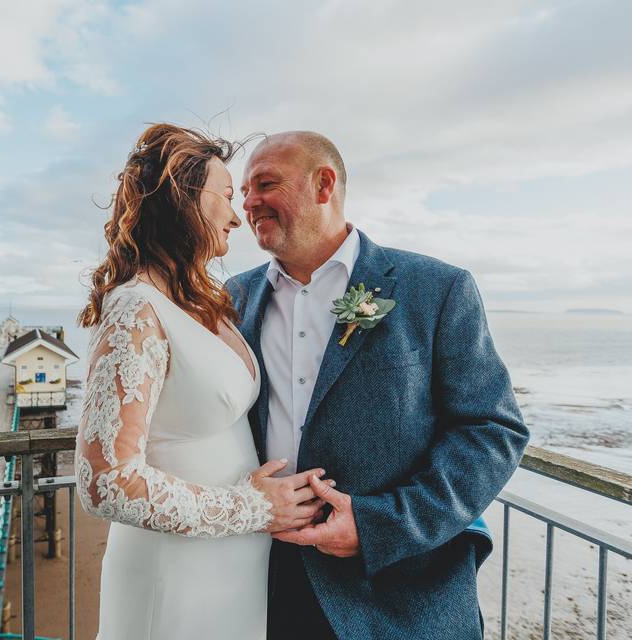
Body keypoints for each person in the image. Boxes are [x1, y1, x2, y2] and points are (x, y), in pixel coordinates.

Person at [226, 131, 530, 639]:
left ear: (324, 184)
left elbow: (491, 429)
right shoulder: (234, 298)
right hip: (263, 580)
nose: (249, 203)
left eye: (266, 184)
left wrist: (377, 526)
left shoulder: (435, 289)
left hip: (399, 589)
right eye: (243, 191)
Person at [74, 124, 331, 639]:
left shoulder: (197, 302)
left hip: (230, 574)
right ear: (183, 202)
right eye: (228, 197)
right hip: (173, 578)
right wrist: (255, 506)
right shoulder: (135, 308)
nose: (238, 216)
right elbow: (104, 482)